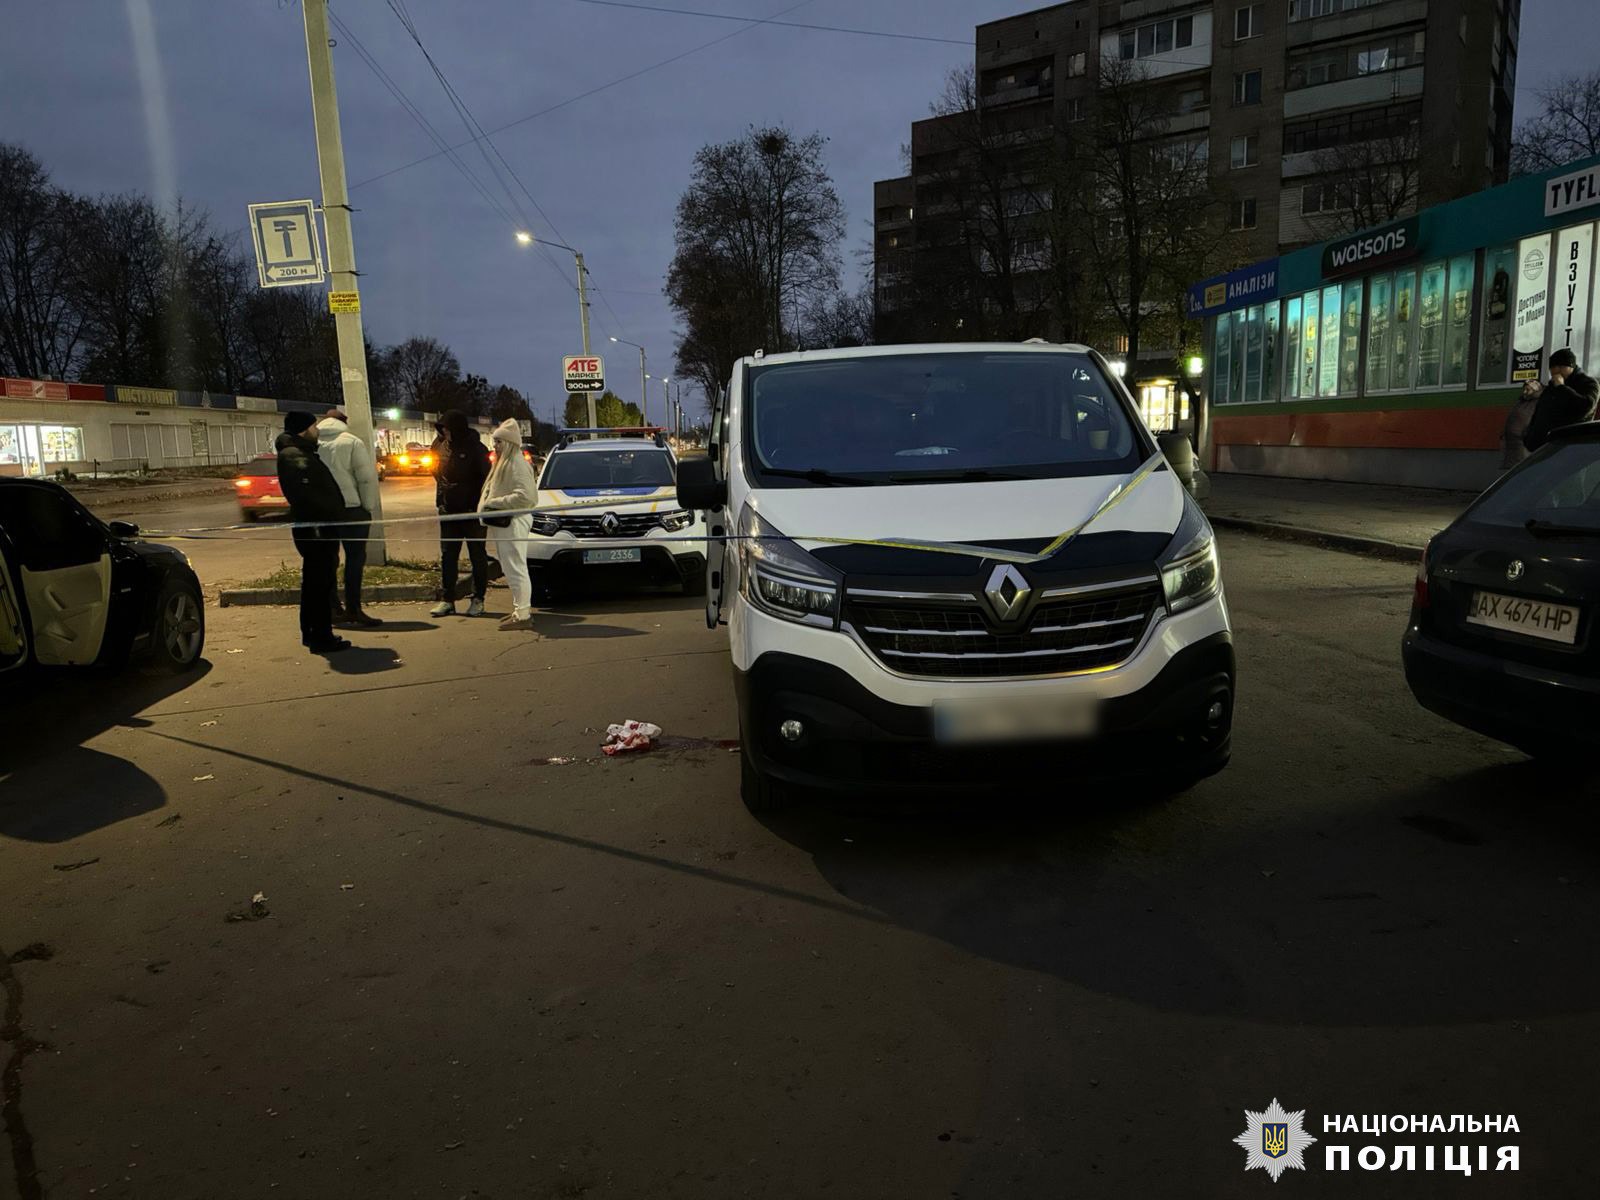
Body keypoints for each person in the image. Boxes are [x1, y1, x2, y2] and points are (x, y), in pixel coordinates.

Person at [274, 412, 350, 653]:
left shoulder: (301, 452)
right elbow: (307, 496)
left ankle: (313, 632)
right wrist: (331, 513)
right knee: (319, 584)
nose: (317, 430)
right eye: (313, 426)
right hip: (316, 529)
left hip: (317, 527)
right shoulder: (295, 456)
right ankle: (320, 636)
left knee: (315, 583)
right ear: (303, 429)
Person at [317, 409, 384, 627]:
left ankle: (332, 608)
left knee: (328, 560)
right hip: (352, 509)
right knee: (354, 560)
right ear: (344, 423)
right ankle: (354, 609)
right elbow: (365, 478)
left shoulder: (313, 443)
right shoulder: (351, 442)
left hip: (324, 511)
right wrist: (368, 506)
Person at [479, 418, 539, 631]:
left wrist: (493, 504)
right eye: (494, 441)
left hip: (513, 523)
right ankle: (519, 610)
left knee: (516, 568)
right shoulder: (503, 462)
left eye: (498, 442)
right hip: (505, 523)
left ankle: (522, 614)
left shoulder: (516, 464)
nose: (494, 445)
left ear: (509, 443)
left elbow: (527, 497)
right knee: (511, 567)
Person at [430, 410, 491, 617]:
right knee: (448, 556)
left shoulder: (476, 448)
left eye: (447, 428)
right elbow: (437, 474)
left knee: (477, 556)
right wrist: (443, 499)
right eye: (442, 429)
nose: (444, 432)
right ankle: (448, 599)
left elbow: (487, 478)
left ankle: (478, 598)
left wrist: (478, 503)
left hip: (472, 512)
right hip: (449, 512)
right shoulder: (439, 446)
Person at [1523, 348, 1599, 453]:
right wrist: (1529, 436)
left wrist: (1562, 388)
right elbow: (1540, 411)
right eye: (1552, 368)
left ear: (1570, 366)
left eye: (1559, 367)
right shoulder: (1551, 388)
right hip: (1543, 448)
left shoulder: (1588, 383)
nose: (1554, 371)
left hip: (1569, 447)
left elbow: (1585, 406)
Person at [1500, 382, 1541, 469]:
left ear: (1535, 390)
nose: (1524, 392)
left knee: (1523, 468)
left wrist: (1525, 434)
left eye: (1528, 390)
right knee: (1513, 469)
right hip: (1511, 443)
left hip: (1522, 443)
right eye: (1524, 389)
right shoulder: (1520, 401)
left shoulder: (1537, 402)